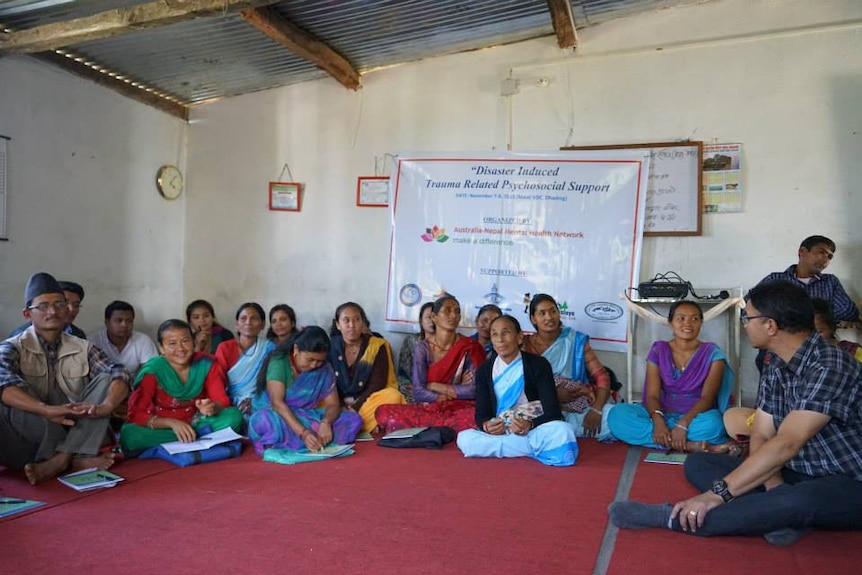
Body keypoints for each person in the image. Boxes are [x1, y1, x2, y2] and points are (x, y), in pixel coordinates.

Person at [609, 281, 862, 546]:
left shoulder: (829, 365)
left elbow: (787, 442)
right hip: (794, 469)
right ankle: (776, 513)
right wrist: (773, 485)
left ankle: (675, 517)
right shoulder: (776, 361)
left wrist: (715, 496)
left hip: (847, 479)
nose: (744, 324)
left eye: (747, 317)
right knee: (699, 463)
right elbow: (763, 432)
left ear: (770, 325)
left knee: (798, 500)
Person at [0, 273, 129, 484]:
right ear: (27, 314)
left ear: (67, 309)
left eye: (59, 304)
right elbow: (3, 384)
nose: (52, 311)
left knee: (107, 378)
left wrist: (107, 406)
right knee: (15, 392)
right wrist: (45, 410)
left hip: (71, 424)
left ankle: (62, 460)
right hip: (30, 435)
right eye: (42, 306)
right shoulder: (12, 347)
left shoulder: (82, 346)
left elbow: (119, 372)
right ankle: (74, 457)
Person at [607, 301, 737, 453]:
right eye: (681, 318)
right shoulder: (659, 350)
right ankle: (691, 445)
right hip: (663, 412)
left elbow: (708, 398)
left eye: (694, 319)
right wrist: (658, 422)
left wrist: (683, 424)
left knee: (714, 425)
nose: (687, 323)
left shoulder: (713, 354)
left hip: (696, 418)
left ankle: (666, 439)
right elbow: (652, 395)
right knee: (617, 415)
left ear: (701, 323)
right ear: (670, 323)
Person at [724, 297, 862, 440]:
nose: (812, 338)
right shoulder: (776, 360)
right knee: (732, 417)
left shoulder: (835, 362)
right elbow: (766, 413)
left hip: (821, 428)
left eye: (819, 332)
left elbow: (791, 439)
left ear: (832, 329)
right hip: (786, 423)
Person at [457, 315, 577, 466]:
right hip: (501, 432)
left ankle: (507, 448)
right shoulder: (484, 370)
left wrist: (530, 424)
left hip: (532, 429)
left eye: (505, 332)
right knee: (464, 439)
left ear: (519, 337)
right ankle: (530, 448)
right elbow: (482, 414)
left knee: (563, 430)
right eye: (494, 334)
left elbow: (553, 411)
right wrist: (487, 426)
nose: (500, 339)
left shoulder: (538, 364)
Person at [119, 320, 243, 457]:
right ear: (161, 348)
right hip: (164, 428)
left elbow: (221, 400)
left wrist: (212, 407)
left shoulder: (206, 363)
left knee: (234, 417)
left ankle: (188, 437)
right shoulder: (153, 370)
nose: (180, 348)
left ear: (193, 342)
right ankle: (194, 438)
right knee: (130, 435)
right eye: (172, 343)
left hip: (198, 422)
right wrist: (171, 423)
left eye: (185, 341)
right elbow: (136, 413)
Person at [375, 295, 487, 433]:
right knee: (384, 412)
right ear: (434, 317)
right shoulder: (423, 348)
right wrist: (449, 392)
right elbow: (418, 392)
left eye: (457, 311)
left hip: (460, 407)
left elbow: (474, 390)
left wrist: (434, 385)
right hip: (430, 407)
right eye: (447, 310)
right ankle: (445, 428)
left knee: (475, 416)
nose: (453, 315)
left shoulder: (470, 346)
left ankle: (429, 429)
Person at [248, 326, 361, 454]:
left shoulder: (325, 368)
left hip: (306, 415)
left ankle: (302, 441)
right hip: (278, 415)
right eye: (310, 359)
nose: (314, 365)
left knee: (353, 419)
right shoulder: (279, 362)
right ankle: (306, 440)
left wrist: (326, 422)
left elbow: (333, 404)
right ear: (296, 349)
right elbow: (277, 404)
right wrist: (304, 433)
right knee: (261, 421)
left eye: (319, 361)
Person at [521, 294, 614, 441]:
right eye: (542, 313)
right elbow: (521, 386)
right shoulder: (524, 345)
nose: (549, 317)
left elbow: (602, 376)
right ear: (533, 319)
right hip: (542, 408)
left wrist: (596, 409)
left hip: (577, 406)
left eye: (553, 311)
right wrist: (553, 396)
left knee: (614, 418)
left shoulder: (575, 340)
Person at [328, 302, 405, 433]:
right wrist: (340, 405)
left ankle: (345, 426)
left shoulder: (376, 346)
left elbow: (377, 383)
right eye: (346, 320)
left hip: (365, 402)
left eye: (357, 320)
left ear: (363, 322)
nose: (351, 325)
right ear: (338, 325)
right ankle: (358, 425)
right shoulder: (330, 347)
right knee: (319, 401)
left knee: (392, 395)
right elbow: (328, 383)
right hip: (337, 402)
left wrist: (355, 407)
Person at [757, 235, 858, 322]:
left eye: (829, 257)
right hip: (783, 339)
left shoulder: (830, 282)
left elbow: (849, 312)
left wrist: (806, 318)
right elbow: (748, 307)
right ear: (802, 252)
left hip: (819, 340)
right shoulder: (775, 279)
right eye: (821, 252)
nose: (825, 259)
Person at [214, 302, 275, 422]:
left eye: (254, 318)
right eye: (243, 318)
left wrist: (256, 401)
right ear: (236, 325)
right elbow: (218, 381)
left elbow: (273, 381)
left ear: (262, 325)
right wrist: (224, 404)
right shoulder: (225, 348)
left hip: (259, 401)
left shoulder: (269, 348)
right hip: (230, 402)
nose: (248, 322)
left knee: (268, 419)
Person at [88, 300, 158, 380]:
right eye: (119, 321)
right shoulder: (93, 341)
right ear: (107, 322)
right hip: (103, 387)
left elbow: (150, 372)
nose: (124, 325)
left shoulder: (143, 341)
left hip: (133, 388)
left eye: (129, 321)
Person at [8, 280, 87, 339]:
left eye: (76, 305)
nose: (72, 309)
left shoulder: (78, 334)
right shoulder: (20, 338)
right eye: (63, 303)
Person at [396, 301, 435, 403]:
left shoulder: (449, 345)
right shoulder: (411, 341)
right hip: (412, 389)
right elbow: (403, 373)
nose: (432, 321)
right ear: (421, 321)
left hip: (438, 390)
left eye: (435, 317)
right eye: (428, 317)